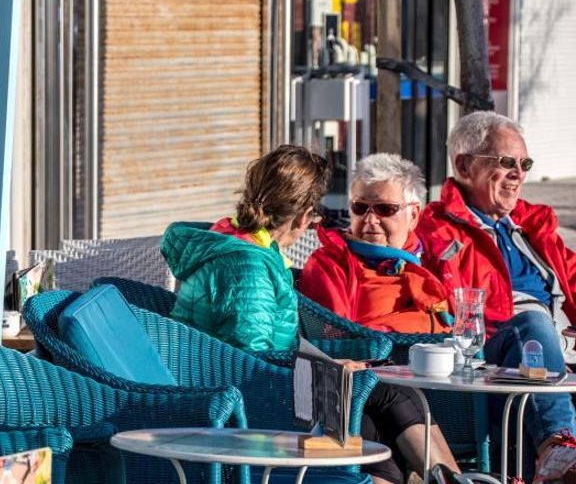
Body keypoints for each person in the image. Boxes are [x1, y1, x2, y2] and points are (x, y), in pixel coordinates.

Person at [161, 145, 459, 484]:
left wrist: (328, 365)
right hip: (245, 400)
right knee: (385, 395)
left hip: (259, 382)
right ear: (303, 215)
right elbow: (249, 357)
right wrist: (325, 369)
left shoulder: (245, 245)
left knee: (377, 405)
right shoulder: (247, 266)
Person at [416, 111, 576, 482]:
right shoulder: (435, 228)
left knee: (539, 326)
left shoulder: (531, 225)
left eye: (524, 163)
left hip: (560, 347)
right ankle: (557, 445)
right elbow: (432, 297)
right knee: (532, 323)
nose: (519, 174)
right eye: (506, 163)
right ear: (464, 165)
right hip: (494, 353)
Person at [298, 154, 461, 483]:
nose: (370, 221)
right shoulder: (333, 261)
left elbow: (466, 321)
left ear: (414, 214)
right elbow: (333, 337)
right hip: (362, 388)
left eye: (384, 210)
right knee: (382, 402)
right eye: (360, 208)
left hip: (442, 391)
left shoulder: (434, 260)